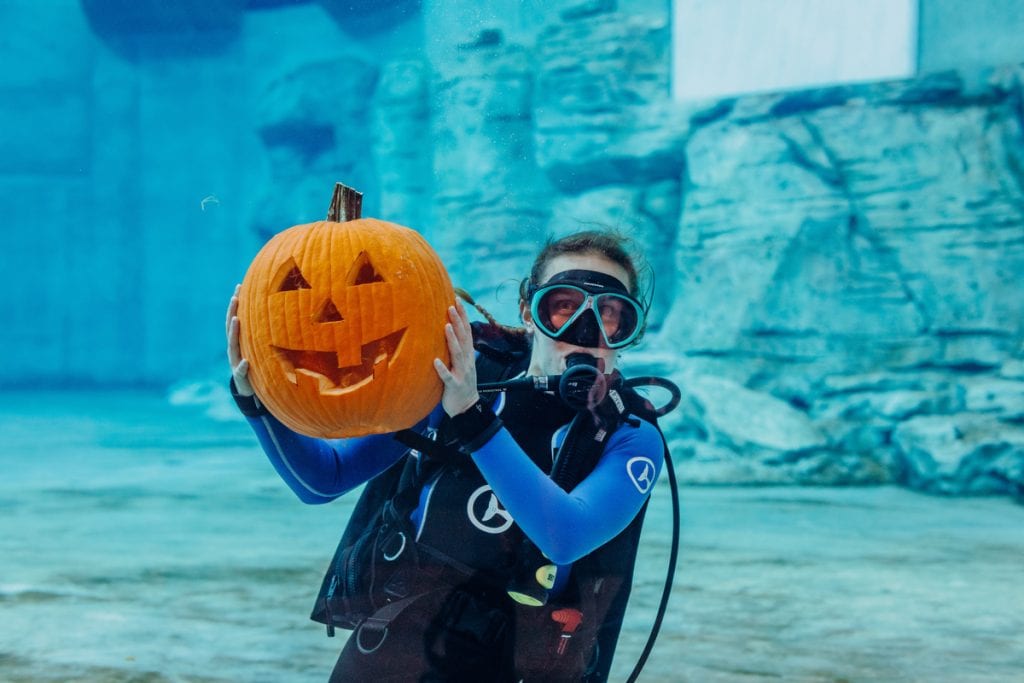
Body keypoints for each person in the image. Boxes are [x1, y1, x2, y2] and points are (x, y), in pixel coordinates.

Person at [226, 230, 666, 682]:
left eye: (610, 315)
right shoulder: (456, 378)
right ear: (528, 311)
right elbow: (322, 481)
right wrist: (256, 403)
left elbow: (565, 537)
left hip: (518, 664)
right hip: (396, 641)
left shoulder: (630, 433)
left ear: (628, 333)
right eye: (563, 307)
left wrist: (472, 419)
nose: (584, 333)